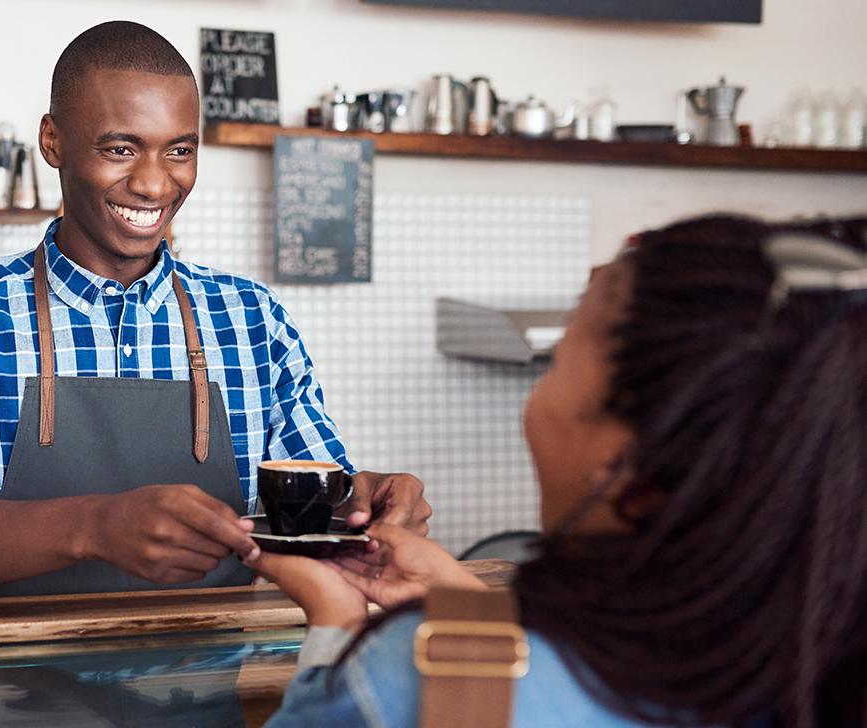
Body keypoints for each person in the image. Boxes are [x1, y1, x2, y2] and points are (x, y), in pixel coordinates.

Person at [0, 20, 430, 598]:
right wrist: (95, 526)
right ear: (52, 141)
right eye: (120, 149)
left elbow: (313, 503)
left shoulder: (252, 318)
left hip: (216, 677)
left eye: (180, 151)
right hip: (11, 680)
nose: (153, 183)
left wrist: (362, 507)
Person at [254, 214, 867, 727]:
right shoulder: (820, 671)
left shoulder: (411, 680)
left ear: (623, 462)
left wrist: (337, 625)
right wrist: (469, 604)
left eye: (556, 367)